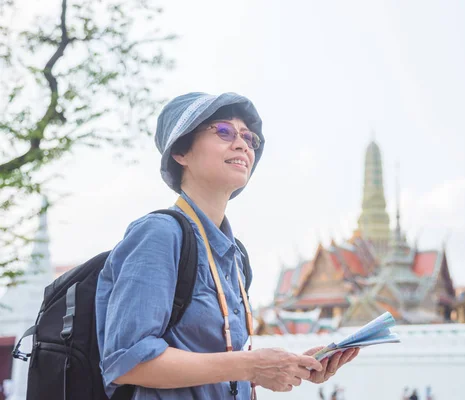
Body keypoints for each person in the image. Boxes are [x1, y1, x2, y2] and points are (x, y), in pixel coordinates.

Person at [95, 92, 359, 399]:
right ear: (181, 151)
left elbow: (216, 368)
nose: (242, 144)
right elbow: (127, 361)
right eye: (223, 132)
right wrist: (249, 366)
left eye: (249, 138)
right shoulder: (160, 235)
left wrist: (290, 366)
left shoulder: (236, 258)